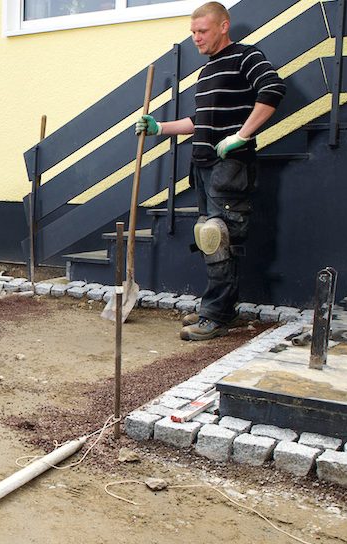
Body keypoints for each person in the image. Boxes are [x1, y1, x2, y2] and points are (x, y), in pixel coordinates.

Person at [136, 2, 285, 341]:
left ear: (223, 27)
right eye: (192, 33)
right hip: (203, 167)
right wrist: (159, 127)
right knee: (210, 238)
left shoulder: (247, 56)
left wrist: (241, 135)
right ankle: (220, 309)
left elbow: (274, 90)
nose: (196, 38)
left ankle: (215, 316)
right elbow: (197, 121)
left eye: (201, 31)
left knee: (218, 237)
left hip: (230, 166)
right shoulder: (207, 72)